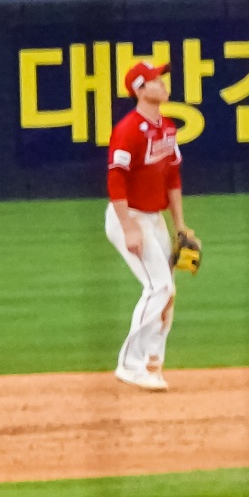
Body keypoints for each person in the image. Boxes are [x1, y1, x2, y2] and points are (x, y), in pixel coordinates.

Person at [103, 61, 198, 391]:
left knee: (168, 292)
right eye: (155, 80)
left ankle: (151, 364)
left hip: (154, 218)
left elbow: (172, 177)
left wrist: (180, 226)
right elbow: (116, 180)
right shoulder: (128, 130)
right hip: (128, 217)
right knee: (159, 287)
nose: (163, 83)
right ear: (140, 90)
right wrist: (128, 227)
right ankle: (129, 364)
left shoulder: (167, 128)